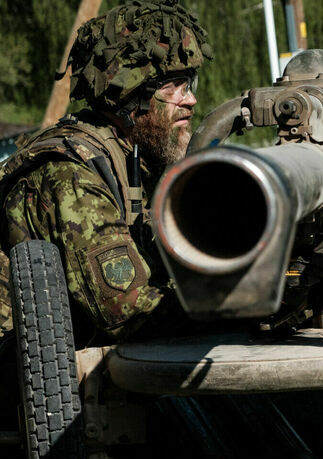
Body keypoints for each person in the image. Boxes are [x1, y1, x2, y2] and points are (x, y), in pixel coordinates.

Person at [0, 0, 213, 342]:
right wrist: (242, 306)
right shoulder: (71, 175)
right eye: (172, 86)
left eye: (190, 83)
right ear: (129, 96)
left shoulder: (139, 158)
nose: (190, 100)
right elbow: (128, 311)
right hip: (27, 378)